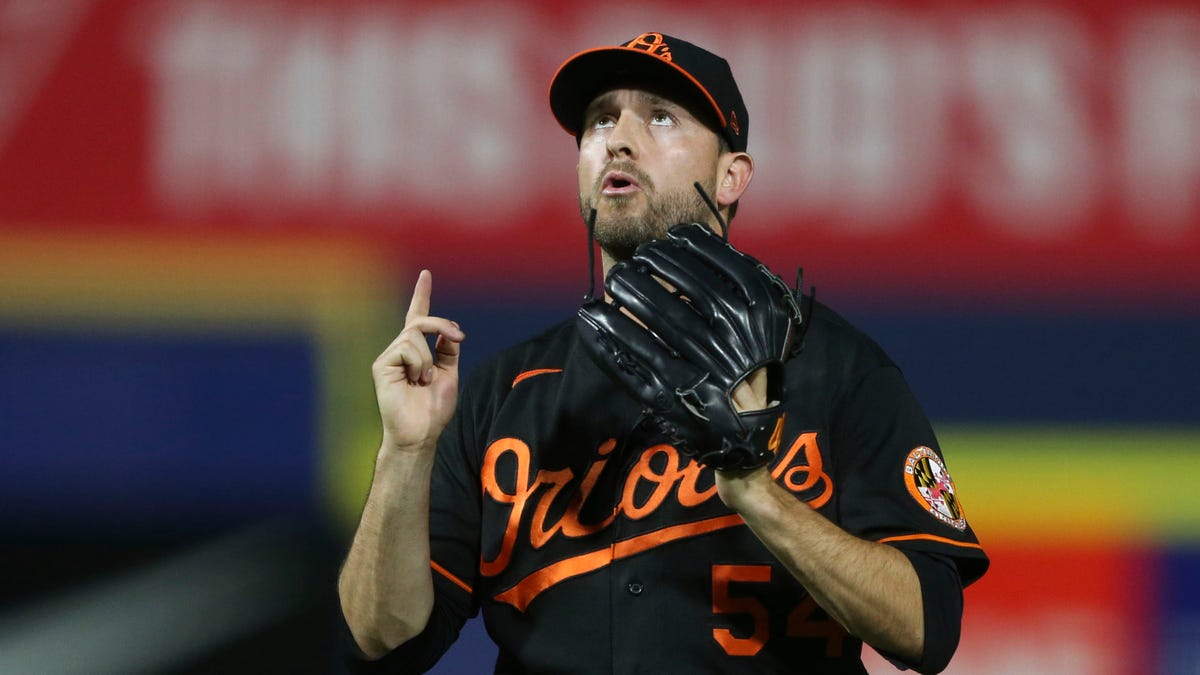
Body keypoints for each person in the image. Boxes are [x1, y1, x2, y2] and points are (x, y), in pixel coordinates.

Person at [337, 32, 989, 674]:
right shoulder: (505, 394)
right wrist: (405, 452)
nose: (619, 137)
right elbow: (383, 638)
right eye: (599, 120)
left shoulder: (834, 369)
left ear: (731, 174)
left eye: (660, 116)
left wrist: (754, 489)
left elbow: (926, 628)